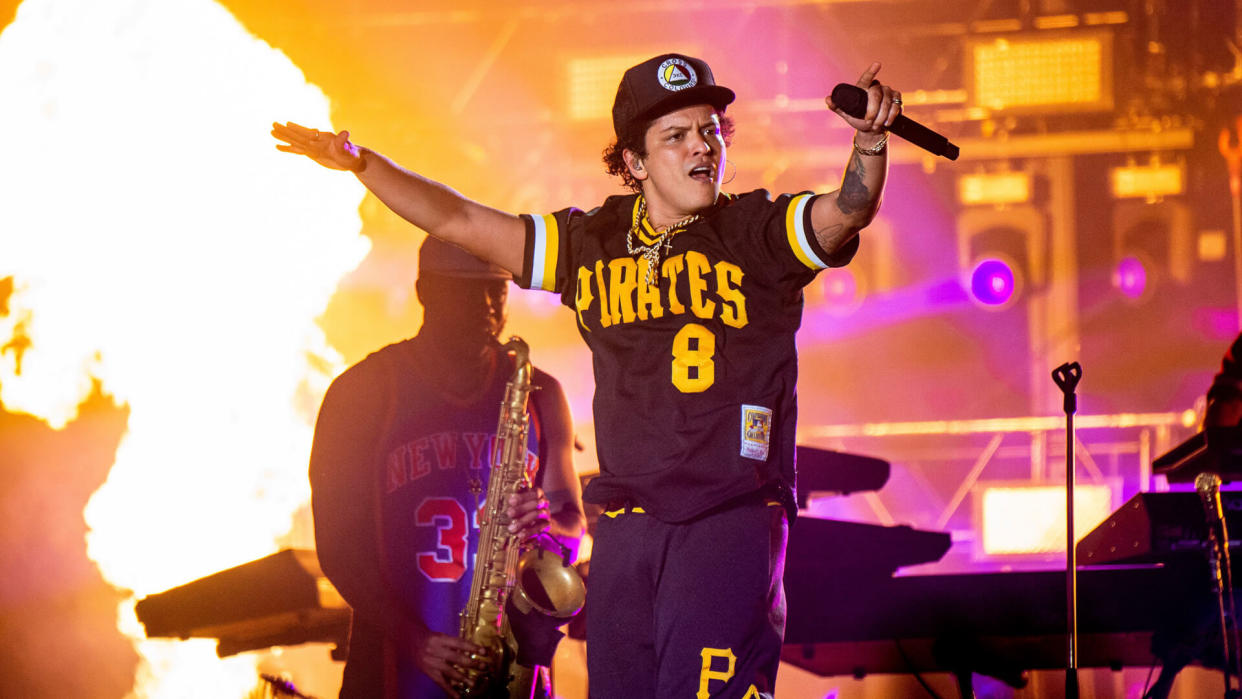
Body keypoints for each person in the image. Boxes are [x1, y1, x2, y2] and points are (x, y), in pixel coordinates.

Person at [277, 52, 899, 698]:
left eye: (711, 130)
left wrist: (871, 141)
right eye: (677, 136)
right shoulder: (591, 242)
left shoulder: (756, 231)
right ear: (634, 162)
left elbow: (847, 208)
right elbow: (460, 220)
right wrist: (361, 165)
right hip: (627, 530)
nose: (702, 148)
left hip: (725, 521)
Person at [308, 236, 585, 698]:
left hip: (511, 670)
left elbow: (573, 526)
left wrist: (544, 523)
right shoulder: (361, 392)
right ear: (424, 291)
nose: (484, 307)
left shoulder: (543, 393)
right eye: (463, 291)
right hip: (395, 668)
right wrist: (415, 641)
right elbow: (338, 549)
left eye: (495, 292)